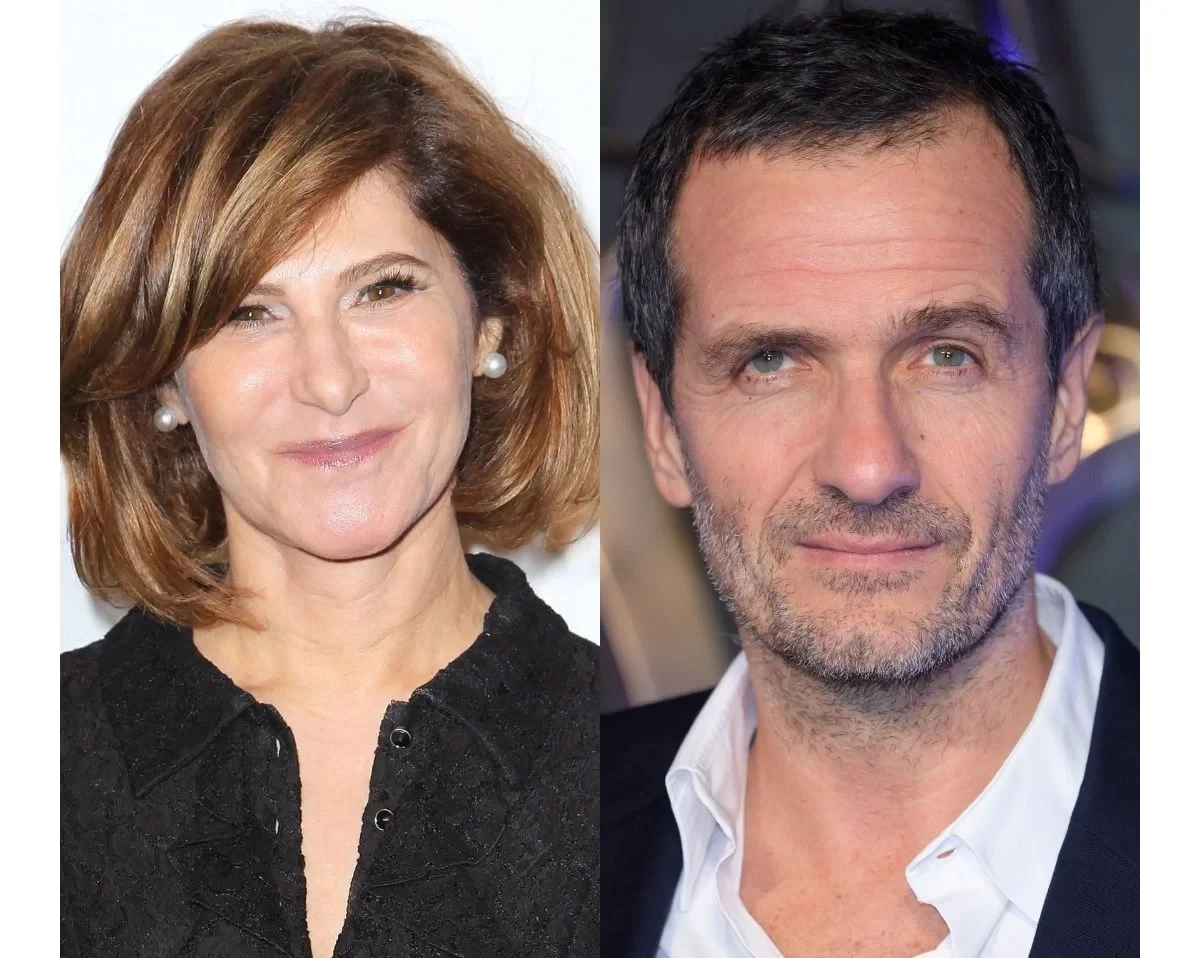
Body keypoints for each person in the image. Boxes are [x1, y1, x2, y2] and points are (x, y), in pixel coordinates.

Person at [60, 17, 598, 958]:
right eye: (249, 313)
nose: (330, 380)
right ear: (162, 380)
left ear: (491, 323)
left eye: (382, 289)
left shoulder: (633, 763)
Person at [604, 9, 1136, 958]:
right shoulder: (507, 847)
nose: (867, 466)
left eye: (946, 355)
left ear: (1064, 397)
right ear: (661, 425)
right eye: (771, 361)